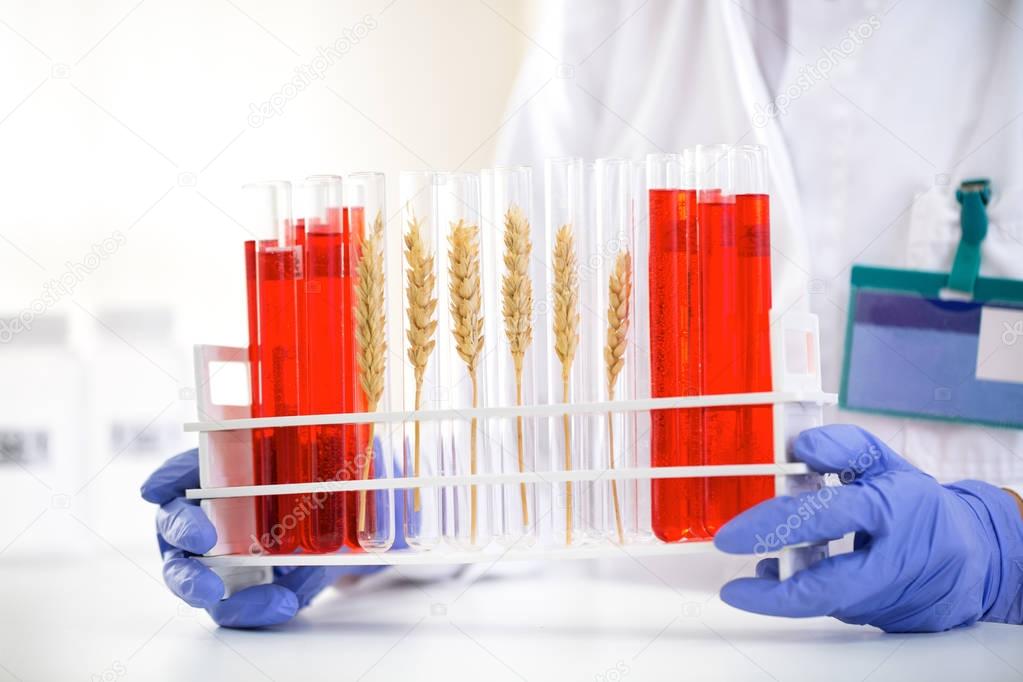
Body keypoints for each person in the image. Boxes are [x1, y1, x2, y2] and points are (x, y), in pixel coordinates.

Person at [143, 0, 1023, 629]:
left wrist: (995, 550)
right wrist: (386, 498)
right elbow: (531, 413)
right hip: (632, 640)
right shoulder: (603, 21)